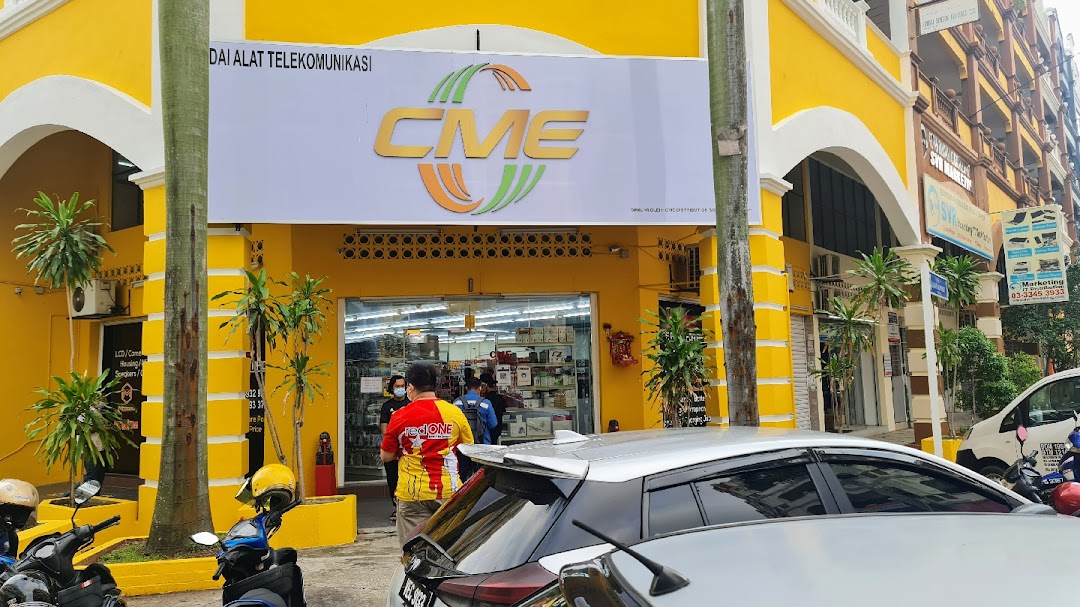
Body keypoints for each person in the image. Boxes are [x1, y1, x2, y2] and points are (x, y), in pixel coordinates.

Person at [381, 363, 474, 548]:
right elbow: (468, 448)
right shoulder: (454, 413)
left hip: (412, 494)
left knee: (413, 550)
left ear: (410, 387)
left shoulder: (399, 416)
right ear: (435, 385)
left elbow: (386, 456)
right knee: (450, 549)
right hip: (448, 491)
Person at [453, 378, 499, 481]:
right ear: (480, 388)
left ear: (466, 388)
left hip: (463, 446)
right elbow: (493, 424)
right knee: (483, 476)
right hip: (482, 444)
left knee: (463, 474)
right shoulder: (486, 403)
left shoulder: (457, 402)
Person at [379, 375, 410, 524]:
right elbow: (384, 428)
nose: (400, 389)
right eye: (397, 386)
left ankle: (407, 509)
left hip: (407, 451)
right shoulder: (387, 406)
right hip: (392, 450)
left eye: (402, 386)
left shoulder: (410, 405)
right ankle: (396, 507)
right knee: (393, 480)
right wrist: (391, 447)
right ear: (392, 388)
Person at [478, 372, 508, 443]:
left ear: (484, 386)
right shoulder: (500, 398)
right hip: (497, 432)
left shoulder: (486, 401)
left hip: (487, 433)